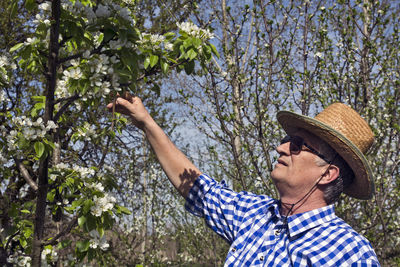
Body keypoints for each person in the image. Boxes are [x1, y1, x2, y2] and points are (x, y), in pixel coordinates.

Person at [107, 95, 380, 266]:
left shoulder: (350, 254)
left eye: (297, 145)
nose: (281, 148)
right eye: (287, 140)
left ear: (328, 173)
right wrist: (146, 123)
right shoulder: (255, 214)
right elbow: (197, 187)